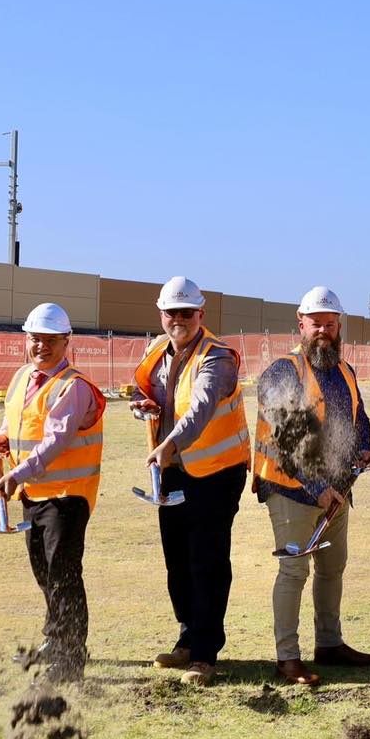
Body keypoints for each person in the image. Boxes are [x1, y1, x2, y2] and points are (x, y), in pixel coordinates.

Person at [252, 286, 370, 686]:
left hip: (337, 493)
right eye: (315, 324)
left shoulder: (344, 370)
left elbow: (359, 418)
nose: (323, 331)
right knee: (294, 572)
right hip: (293, 492)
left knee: (332, 569)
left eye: (329, 324)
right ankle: (287, 658)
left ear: (338, 325)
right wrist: (318, 487)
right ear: (300, 324)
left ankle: (329, 643)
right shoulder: (281, 372)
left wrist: (364, 448)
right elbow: (289, 439)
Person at [131, 277, 251, 686]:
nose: (178, 319)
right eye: (171, 312)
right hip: (173, 472)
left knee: (207, 561)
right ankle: (187, 636)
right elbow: (161, 398)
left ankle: (204, 654)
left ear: (201, 314)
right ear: (160, 314)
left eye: (187, 312)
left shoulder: (217, 358)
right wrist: (144, 406)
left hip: (216, 474)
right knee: (177, 561)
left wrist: (171, 443)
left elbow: (200, 408)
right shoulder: (157, 353)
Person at [0, 302, 105, 683]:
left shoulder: (74, 387)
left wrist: (18, 472)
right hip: (34, 494)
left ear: (66, 342)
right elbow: (16, 417)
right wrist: (2, 438)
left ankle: (70, 660)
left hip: (67, 497)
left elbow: (56, 440)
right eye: (35, 339)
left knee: (63, 575)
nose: (41, 347)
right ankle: (55, 639)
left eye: (51, 340)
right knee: (44, 573)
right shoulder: (23, 376)